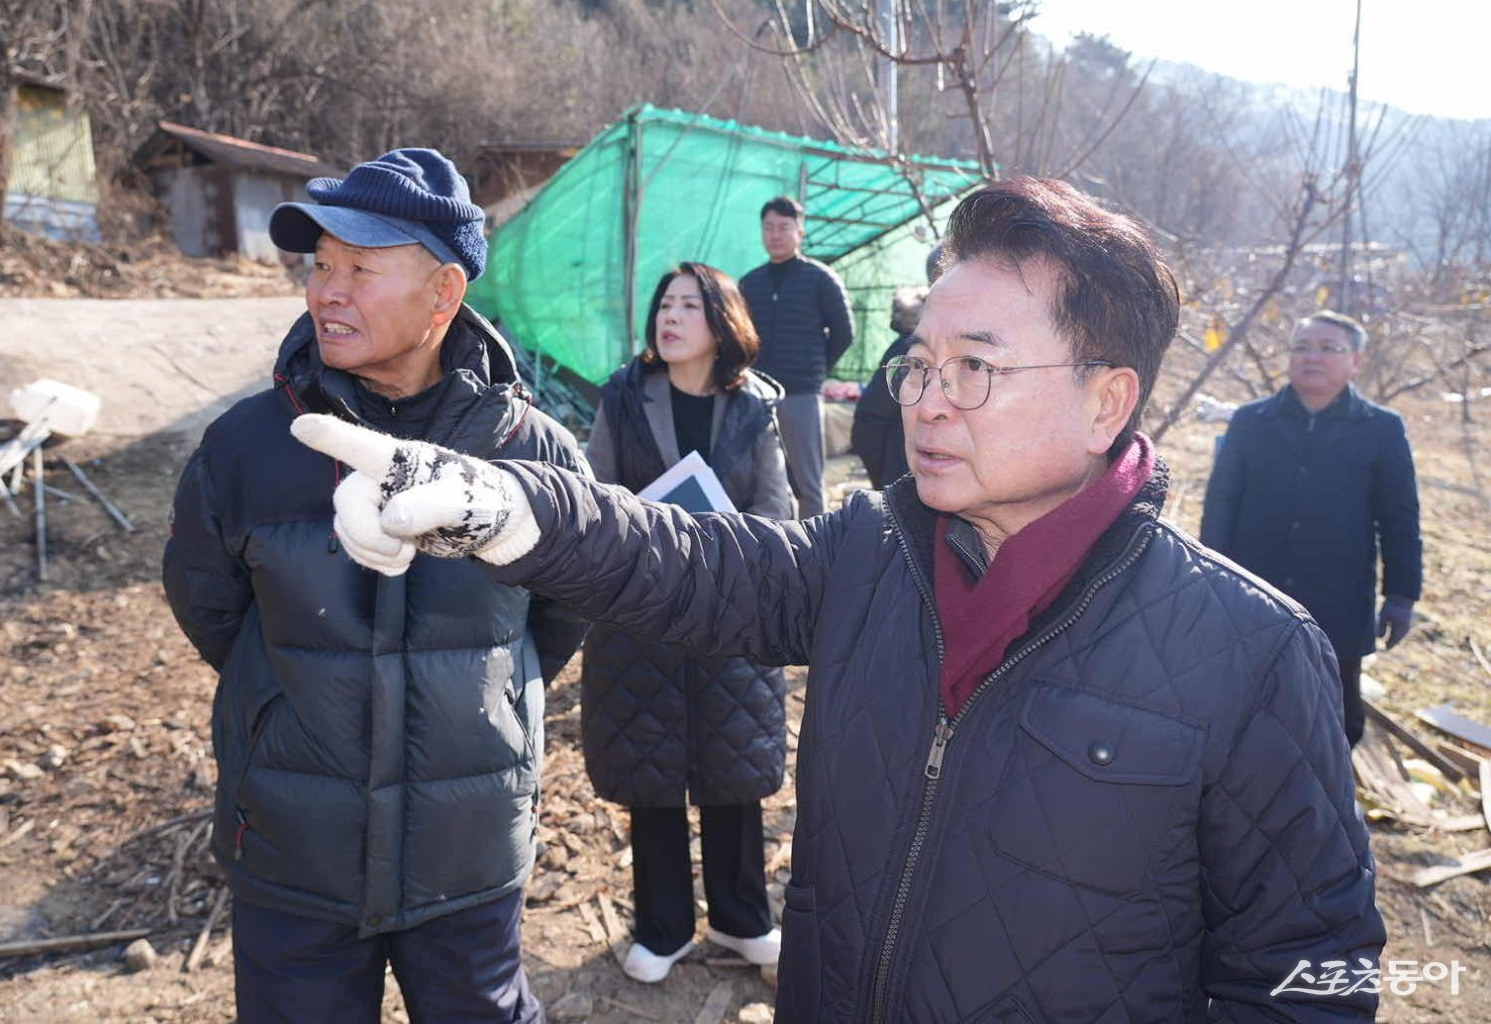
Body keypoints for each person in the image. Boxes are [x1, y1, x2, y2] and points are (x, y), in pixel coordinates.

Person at [291, 177, 1385, 1022]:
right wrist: (508, 505)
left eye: (977, 369)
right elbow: (693, 560)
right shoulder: (871, 553)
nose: (927, 402)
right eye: (919, 364)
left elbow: (1312, 976)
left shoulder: (1247, 654)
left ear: (1108, 400)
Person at [162, 148, 589, 1024]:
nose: (327, 289)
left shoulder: (532, 451)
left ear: (443, 294)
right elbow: (210, 607)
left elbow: (563, 612)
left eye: (361, 267)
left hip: (467, 848)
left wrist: (490, 703)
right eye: (320, 264)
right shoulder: (249, 444)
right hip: (294, 849)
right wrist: (288, 706)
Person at [584, 262, 793, 983]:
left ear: (722, 322)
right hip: (642, 611)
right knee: (653, 769)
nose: (669, 317)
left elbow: (778, 509)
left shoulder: (754, 406)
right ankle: (663, 926)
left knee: (733, 767)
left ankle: (742, 918)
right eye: (663, 304)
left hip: (729, 611)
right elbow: (597, 498)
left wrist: (735, 550)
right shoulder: (621, 396)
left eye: (688, 306)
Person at [1201, 309, 1423, 746]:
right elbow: (1220, 507)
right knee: (1242, 705)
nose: (1312, 357)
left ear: (1356, 361)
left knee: (1335, 717)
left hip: (1337, 595)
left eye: (1328, 348)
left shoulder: (1381, 429)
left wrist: (1402, 594)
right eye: (1302, 347)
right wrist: (1209, 580)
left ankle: (1327, 806)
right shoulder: (1251, 422)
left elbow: (1399, 519)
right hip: (1252, 589)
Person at [739, 195, 854, 517]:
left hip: (800, 394)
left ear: (800, 232)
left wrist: (814, 371)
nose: (775, 235)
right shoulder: (750, 283)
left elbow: (844, 333)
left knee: (807, 481)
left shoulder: (820, 278)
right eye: (769, 227)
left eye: (784, 227)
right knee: (760, 478)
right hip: (756, 394)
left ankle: (815, 554)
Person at [849, 285, 926, 489]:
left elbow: (871, 415)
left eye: (899, 310)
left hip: (899, 464)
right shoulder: (909, 348)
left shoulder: (906, 351)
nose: (894, 315)